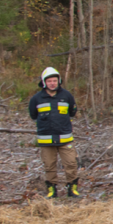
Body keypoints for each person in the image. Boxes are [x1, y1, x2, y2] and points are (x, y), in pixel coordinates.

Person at [29, 67, 80, 198]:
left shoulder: (66, 96)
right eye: (50, 81)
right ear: (44, 82)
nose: (52, 83)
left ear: (59, 81)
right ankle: (52, 190)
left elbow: (72, 112)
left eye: (55, 80)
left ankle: (72, 189)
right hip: (46, 140)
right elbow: (33, 115)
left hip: (65, 139)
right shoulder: (36, 99)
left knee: (71, 163)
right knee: (49, 166)